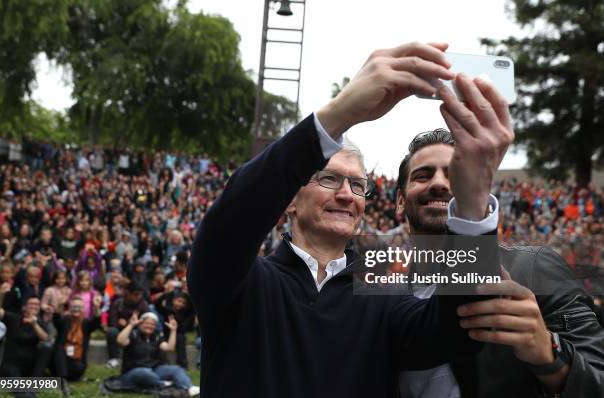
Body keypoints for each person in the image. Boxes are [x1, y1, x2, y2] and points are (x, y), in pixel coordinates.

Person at [188, 41, 513, 397]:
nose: (345, 194)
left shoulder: (384, 294)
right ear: (291, 200)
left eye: (357, 185)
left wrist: (473, 199)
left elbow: (456, 330)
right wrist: (338, 115)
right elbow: (229, 224)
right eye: (328, 179)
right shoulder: (243, 282)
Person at [395, 128, 604, 397]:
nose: (439, 183)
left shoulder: (533, 266)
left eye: (454, 175)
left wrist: (550, 353)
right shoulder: (381, 286)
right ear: (400, 200)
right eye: (423, 175)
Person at [116, 312, 200, 396]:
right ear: (140, 324)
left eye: (152, 324)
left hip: (154, 369)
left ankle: (189, 388)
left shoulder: (156, 336)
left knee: (176, 369)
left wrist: (173, 330)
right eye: (147, 323)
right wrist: (131, 325)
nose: (149, 326)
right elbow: (120, 341)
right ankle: (167, 385)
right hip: (133, 372)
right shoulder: (133, 334)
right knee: (145, 373)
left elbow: (169, 348)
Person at [0, 285, 53, 397]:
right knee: (21, 389)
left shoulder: (40, 324)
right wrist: (1, 294)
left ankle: (34, 384)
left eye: (37, 304)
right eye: (31, 304)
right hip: (11, 366)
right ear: (24, 307)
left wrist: (34, 324)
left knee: (47, 348)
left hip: (28, 367)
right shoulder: (14, 318)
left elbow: (45, 338)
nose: (34, 306)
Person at [52, 295, 102, 396]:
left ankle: (64, 379)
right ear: (70, 308)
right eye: (74, 307)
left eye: (79, 307)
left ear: (83, 309)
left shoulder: (86, 323)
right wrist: (60, 304)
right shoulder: (64, 321)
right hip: (59, 360)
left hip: (76, 362)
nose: (76, 309)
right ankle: (63, 381)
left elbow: (96, 322)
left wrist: (96, 307)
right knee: (59, 349)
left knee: (79, 367)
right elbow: (56, 319)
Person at [105, 280, 149, 368]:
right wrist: (122, 325)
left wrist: (130, 324)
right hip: (120, 330)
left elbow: (145, 322)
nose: (139, 297)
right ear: (128, 293)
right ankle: (114, 358)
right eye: (136, 294)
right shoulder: (118, 303)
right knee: (111, 331)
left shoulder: (143, 304)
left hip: (135, 330)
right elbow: (112, 321)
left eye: (140, 295)